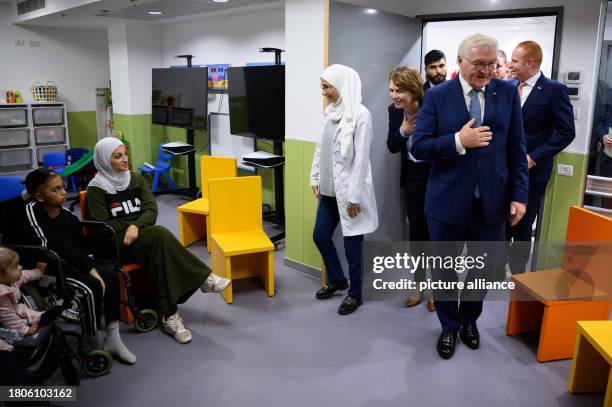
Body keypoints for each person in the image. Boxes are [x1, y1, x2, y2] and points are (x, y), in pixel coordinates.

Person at [411, 33, 528, 359]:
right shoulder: (437, 97)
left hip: (492, 202)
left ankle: (469, 320)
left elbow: (517, 148)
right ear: (461, 61)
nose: (487, 70)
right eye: (479, 64)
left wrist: (520, 194)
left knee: (484, 267)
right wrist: (458, 141)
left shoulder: (506, 92)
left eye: (492, 64)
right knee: (445, 267)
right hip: (447, 201)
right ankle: (448, 326)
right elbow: (418, 146)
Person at [86, 137, 230, 344]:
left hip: (141, 238)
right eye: (118, 156)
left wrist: (135, 226)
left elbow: (151, 210)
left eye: (126, 154)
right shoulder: (96, 188)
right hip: (115, 245)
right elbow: (102, 226)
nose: (125, 159)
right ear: (104, 160)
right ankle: (203, 278)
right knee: (159, 234)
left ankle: (170, 316)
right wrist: (131, 226)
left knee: (160, 254)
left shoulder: (134, 179)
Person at [3, 169, 136, 364]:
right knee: (92, 286)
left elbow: (76, 245)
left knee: (109, 274)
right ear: (39, 196)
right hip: (45, 265)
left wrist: (93, 263)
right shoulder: (30, 211)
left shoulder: (66, 214)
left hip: (67, 260)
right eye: (55, 189)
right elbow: (52, 245)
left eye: (63, 187)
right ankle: (94, 339)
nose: (63, 192)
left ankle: (114, 337)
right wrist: (89, 268)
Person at [310, 64, 378, 316]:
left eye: (327, 86)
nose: (324, 92)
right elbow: (321, 147)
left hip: (349, 194)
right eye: (323, 86)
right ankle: (338, 279)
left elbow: (361, 161)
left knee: (353, 248)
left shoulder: (361, 115)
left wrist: (354, 197)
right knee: (320, 235)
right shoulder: (329, 112)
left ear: (341, 86)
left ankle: (355, 294)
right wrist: (315, 176)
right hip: (328, 192)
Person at [506, 41, 575, 274]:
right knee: (498, 221)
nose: (510, 65)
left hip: (532, 173)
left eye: (515, 61)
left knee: (523, 226)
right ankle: (492, 270)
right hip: (503, 170)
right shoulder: (508, 87)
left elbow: (566, 132)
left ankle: (517, 275)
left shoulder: (554, 90)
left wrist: (534, 157)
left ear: (531, 63)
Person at [386, 67, 434, 311]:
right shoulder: (394, 113)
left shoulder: (433, 106)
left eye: (399, 91)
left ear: (414, 90)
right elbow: (392, 146)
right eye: (392, 90)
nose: (394, 96)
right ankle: (418, 284)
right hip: (414, 178)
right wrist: (402, 132)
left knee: (437, 235)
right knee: (417, 235)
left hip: (437, 177)